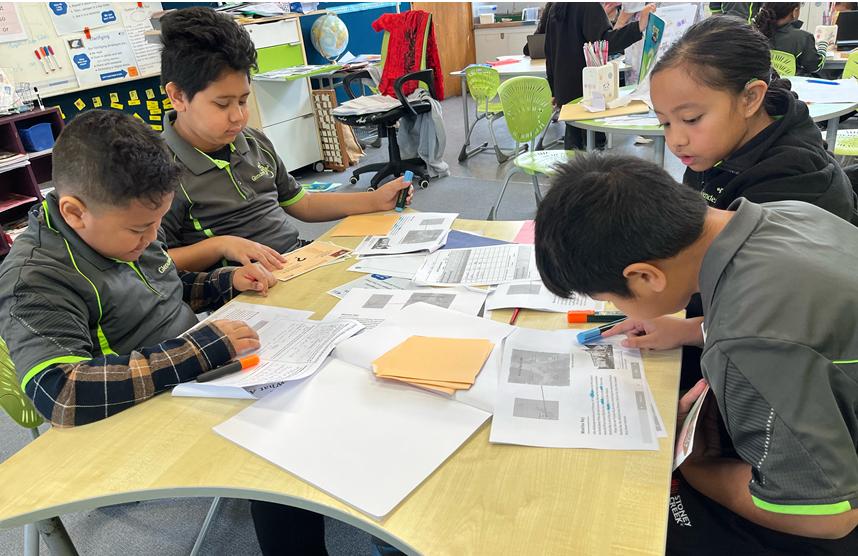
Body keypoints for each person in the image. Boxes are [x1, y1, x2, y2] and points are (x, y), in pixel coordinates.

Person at [535, 152, 858, 555]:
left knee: (633, 520)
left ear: (646, 277)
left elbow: (830, 517)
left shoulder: (745, 341)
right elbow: (804, 323)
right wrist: (693, 329)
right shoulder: (787, 213)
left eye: (608, 299)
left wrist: (698, 469)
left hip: (836, 502)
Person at [0, 110, 274, 428]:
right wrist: (195, 353)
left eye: (158, 222)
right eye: (139, 229)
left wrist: (224, 282)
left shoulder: (128, 228)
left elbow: (161, 287)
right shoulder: (33, 278)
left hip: (194, 381)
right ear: (75, 213)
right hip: (133, 418)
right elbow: (61, 393)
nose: (153, 236)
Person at [158, 7, 413, 272]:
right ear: (177, 96)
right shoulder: (158, 171)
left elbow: (304, 203)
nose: (238, 117)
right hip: (243, 286)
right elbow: (155, 263)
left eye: (243, 101)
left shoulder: (253, 141)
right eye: (222, 104)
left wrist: (375, 200)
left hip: (297, 259)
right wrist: (221, 246)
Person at [650, 15, 856, 224]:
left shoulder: (786, 184)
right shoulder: (713, 148)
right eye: (665, 123)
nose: (675, 140)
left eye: (691, 119)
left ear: (750, 98)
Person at [543, 2, 655, 150]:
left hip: (566, 90)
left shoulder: (557, 6)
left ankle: (573, 172)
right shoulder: (588, 5)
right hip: (588, 90)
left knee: (573, 143)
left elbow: (549, 52)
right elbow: (605, 43)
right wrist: (638, 27)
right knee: (592, 146)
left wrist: (554, 89)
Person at [755, 3, 827, 76]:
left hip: (764, 85)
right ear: (795, 12)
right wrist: (822, 46)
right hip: (794, 86)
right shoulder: (803, 38)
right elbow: (816, 67)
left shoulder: (754, 33)